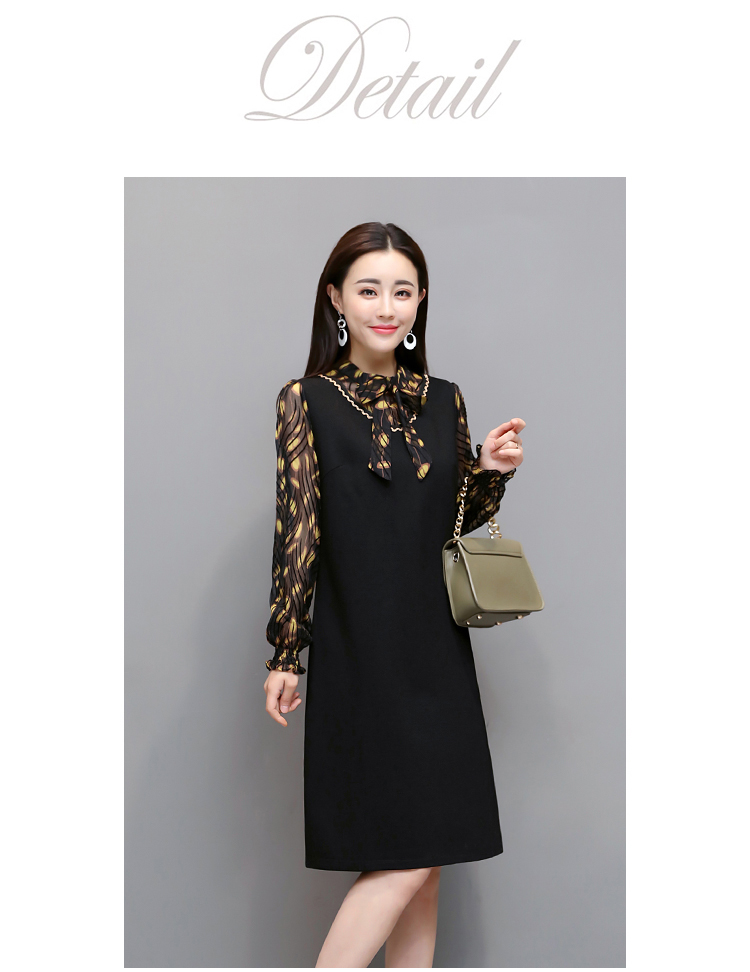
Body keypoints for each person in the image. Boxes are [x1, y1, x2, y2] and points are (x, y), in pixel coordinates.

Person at [263, 222, 525, 968]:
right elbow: (297, 531)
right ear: (336, 298)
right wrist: (286, 651)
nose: (386, 306)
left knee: (427, 859)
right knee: (403, 858)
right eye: (369, 289)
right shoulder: (306, 400)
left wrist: (490, 470)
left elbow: (454, 528)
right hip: (362, 650)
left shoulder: (446, 401)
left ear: (420, 301)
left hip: (438, 650)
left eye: (402, 291)